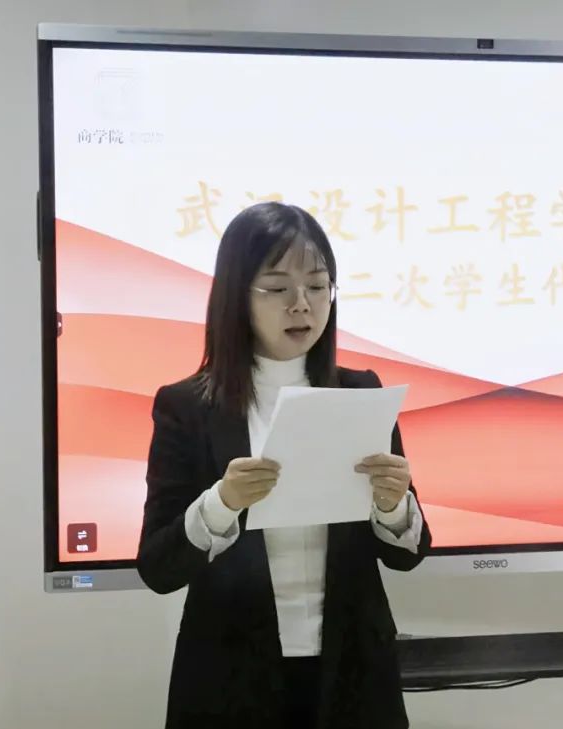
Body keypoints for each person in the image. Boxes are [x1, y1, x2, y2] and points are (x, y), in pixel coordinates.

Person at [136, 202, 431, 729]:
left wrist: (393, 506)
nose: (302, 304)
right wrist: (222, 503)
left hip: (352, 671)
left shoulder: (359, 391)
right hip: (230, 673)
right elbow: (158, 568)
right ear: (237, 296)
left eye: (318, 286)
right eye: (277, 288)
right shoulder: (188, 406)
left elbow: (407, 556)